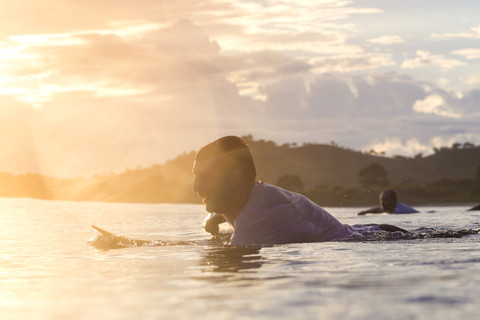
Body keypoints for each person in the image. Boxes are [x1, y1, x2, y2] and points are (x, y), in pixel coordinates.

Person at [193, 136, 408, 246]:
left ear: (234, 178)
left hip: (376, 237)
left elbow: (232, 256)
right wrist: (213, 220)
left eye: (204, 178)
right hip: (367, 230)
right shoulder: (251, 196)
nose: (196, 188)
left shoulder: (257, 219)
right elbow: (223, 210)